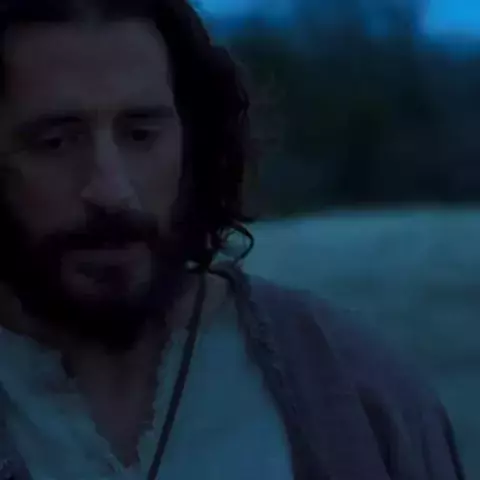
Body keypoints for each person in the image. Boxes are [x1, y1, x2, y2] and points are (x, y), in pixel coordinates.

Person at [0, 0, 466, 479]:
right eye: (55, 143)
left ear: (192, 142)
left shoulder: (354, 389)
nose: (111, 190)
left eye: (141, 136)